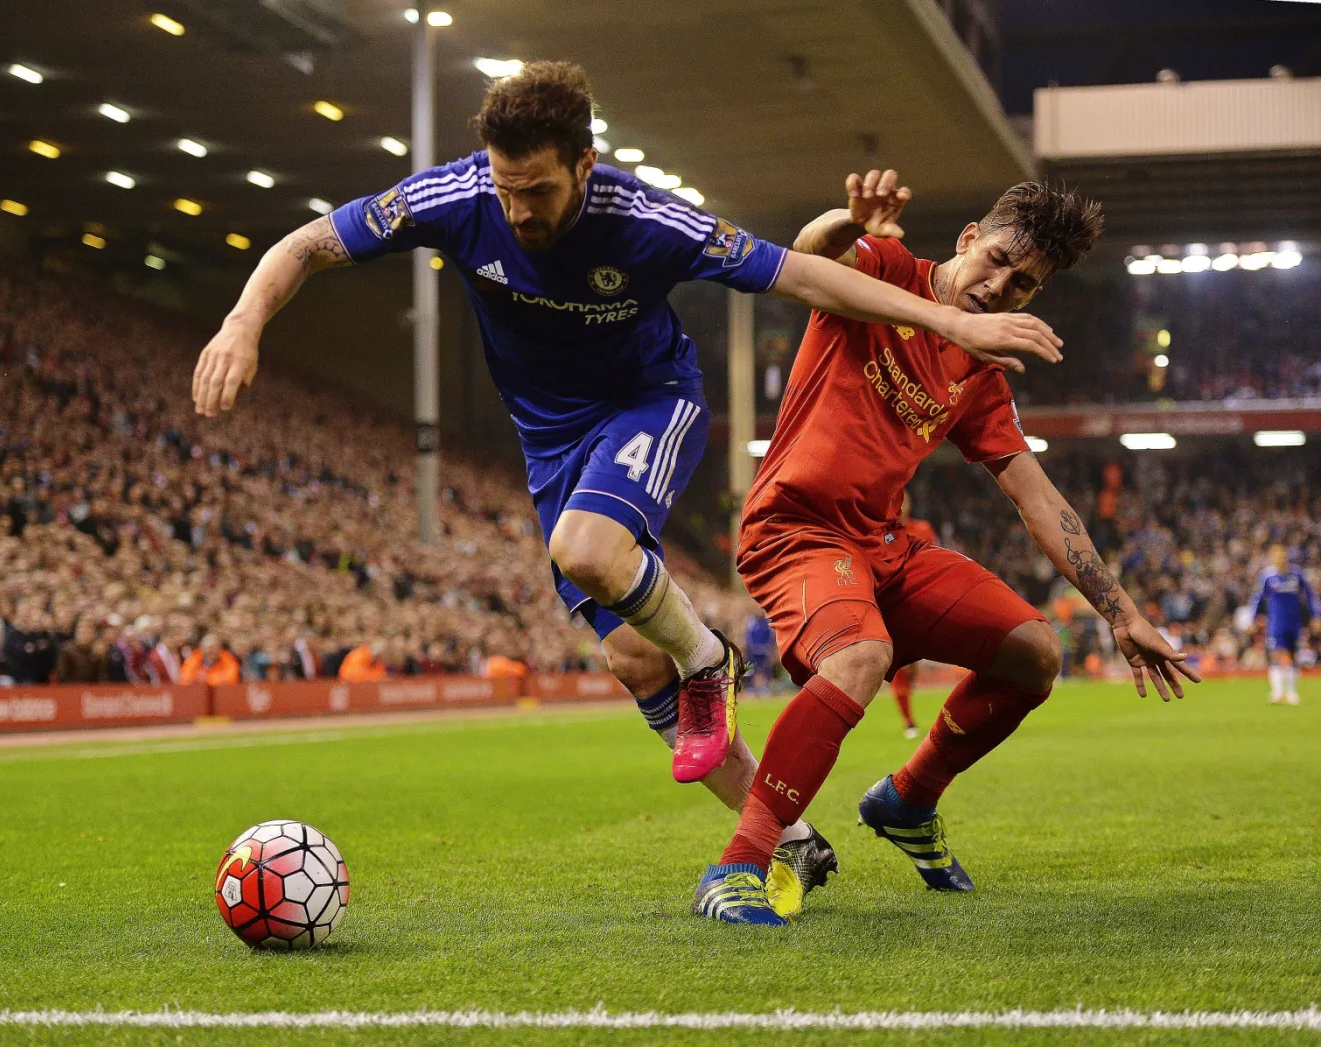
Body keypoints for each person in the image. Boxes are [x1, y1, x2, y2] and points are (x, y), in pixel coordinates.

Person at [191, 63, 1062, 912]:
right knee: (631, 654)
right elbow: (308, 244)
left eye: (537, 189)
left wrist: (948, 317)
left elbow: (796, 272)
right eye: (505, 186)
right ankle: (791, 839)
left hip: (649, 404)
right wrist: (242, 322)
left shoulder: (649, 220)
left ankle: (708, 660)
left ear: (584, 168)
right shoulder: (455, 197)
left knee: (588, 551)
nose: (517, 208)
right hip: (549, 443)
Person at [692, 171, 1199, 926]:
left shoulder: (981, 375)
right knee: (858, 658)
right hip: (795, 528)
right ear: (967, 239)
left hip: (882, 544)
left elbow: (1037, 497)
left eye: (1023, 284)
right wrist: (848, 219)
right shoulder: (889, 271)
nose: (999, 287)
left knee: (1034, 651)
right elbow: (806, 258)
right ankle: (739, 864)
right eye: (996, 260)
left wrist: (1120, 610)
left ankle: (908, 798)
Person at [888, 496, 938, 739]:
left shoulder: (922, 529)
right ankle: (908, 721)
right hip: (896, 603)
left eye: (903, 500)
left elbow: (936, 560)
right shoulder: (881, 532)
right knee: (902, 665)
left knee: (913, 666)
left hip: (923, 600)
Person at [1249, 544, 1318, 705]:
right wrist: (1253, 619)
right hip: (1276, 623)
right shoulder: (1267, 577)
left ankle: (1292, 692)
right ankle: (1278, 691)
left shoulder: (1296, 575)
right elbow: (1257, 598)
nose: (1281, 558)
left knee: (1294, 655)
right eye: (1277, 556)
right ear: (1273, 558)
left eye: (1283, 555)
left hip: (1294, 622)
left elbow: (1310, 596)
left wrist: (1316, 616)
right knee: (1276, 655)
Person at [55, 618, 108, 684]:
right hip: (71, 690)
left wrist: (99, 657)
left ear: (93, 634)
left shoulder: (97, 651)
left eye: (88, 631)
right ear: (76, 632)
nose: (84, 634)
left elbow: (102, 676)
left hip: (92, 691)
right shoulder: (66, 651)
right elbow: (62, 677)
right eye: (81, 631)